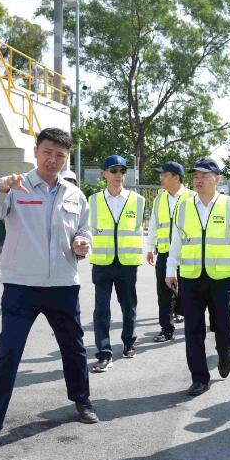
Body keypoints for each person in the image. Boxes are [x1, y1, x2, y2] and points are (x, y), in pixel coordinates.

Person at [0, 128, 98, 454]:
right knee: (9, 354)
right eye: (48, 152)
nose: (53, 160)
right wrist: (0, 188)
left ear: (66, 158)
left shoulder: (75, 195)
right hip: (21, 286)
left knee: (74, 348)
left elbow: (84, 231)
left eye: (60, 155)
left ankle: (82, 401)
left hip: (62, 285)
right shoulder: (16, 186)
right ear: (36, 151)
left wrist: (83, 244)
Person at [166, 157, 230, 396]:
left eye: (204, 176)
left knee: (223, 324)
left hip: (221, 278)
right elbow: (176, 240)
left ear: (217, 179)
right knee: (193, 329)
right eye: (195, 176)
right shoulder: (183, 205)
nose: (198, 180)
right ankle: (199, 377)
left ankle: (224, 351)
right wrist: (170, 270)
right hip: (191, 277)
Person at [88, 155, 145, 372]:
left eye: (122, 171)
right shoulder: (93, 200)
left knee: (128, 306)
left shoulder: (138, 200)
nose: (118, 175)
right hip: (102, 263)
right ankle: (104, 353)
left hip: (127, 263)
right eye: (113, 171)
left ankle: (129, 342)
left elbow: (138, 229)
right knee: (101, 309)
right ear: (104, 174)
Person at [146, 161, 194, 342]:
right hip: (165, 253)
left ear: (176, 177)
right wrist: (150, 248)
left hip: (188, 253)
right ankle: (166, 329)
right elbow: (153, 225)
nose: (161, 178)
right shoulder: (159, 198)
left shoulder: (192, 197)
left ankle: (186, 319)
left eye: (164, 175)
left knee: (188, 292)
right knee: (163, 293)